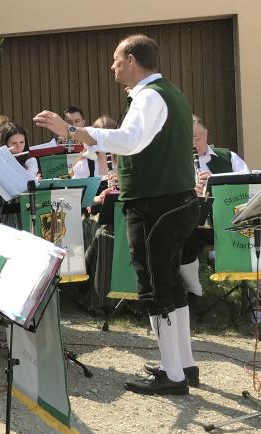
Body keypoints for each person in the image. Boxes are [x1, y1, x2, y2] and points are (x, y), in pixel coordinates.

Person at [35, 33, 202, 396]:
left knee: (155, 286)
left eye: (115, 59)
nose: (112, 66)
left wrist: (73, 132)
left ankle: (172, 375)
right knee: (170, 282)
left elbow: (130, 140)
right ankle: (183, 364)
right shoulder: (169, 92)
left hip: (156, 203)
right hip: (172, 200)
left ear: (131, 60)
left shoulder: (149, 96)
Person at [179, 115, 250, 303]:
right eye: (188, 138)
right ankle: (195, 293)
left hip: (229, 221)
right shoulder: (177, 164)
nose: (194, 142)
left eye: (197, 137)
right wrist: (191, 191)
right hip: (196, 225)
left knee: (260, 236)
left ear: (206, 134)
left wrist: (217, 181)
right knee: (184, 241)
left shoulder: (228, 157)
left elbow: (248, 185)